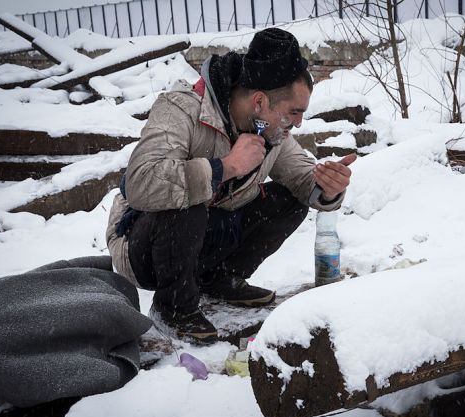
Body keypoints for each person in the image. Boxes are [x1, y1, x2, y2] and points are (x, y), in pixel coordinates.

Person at [106, 28, 356, 344]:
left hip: (202, 237)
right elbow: (141, 183)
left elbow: (303, 178)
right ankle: (173, 307)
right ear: (260, 101)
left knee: (289, 199)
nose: (299, 123)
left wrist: (328, 187)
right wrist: (225, 167)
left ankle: (219, 279)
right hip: (143, 248)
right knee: (189, 199)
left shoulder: (272, 132)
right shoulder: (181, 108)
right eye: (294, 112)